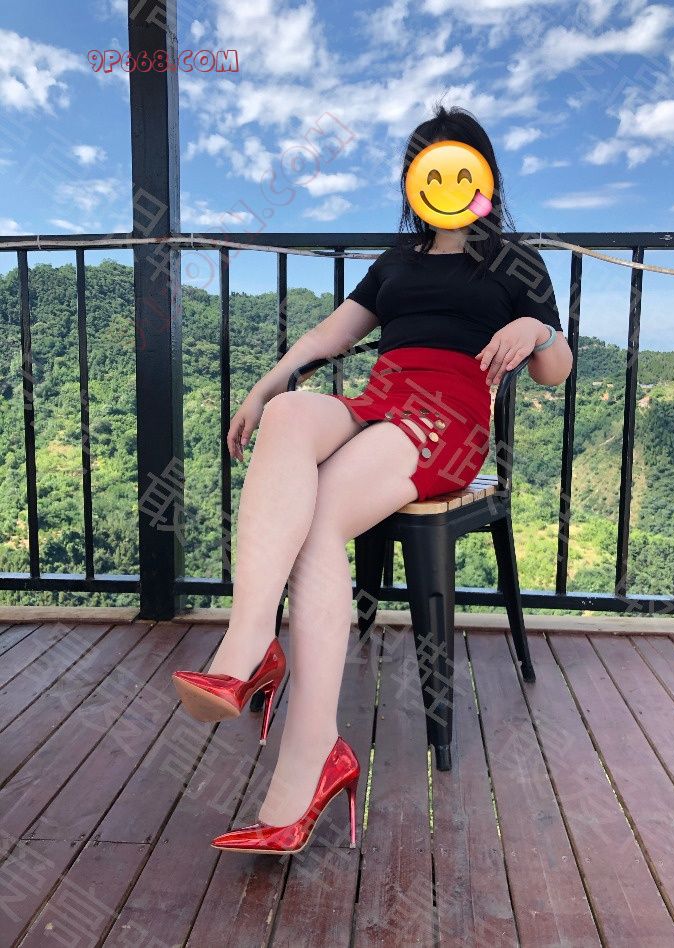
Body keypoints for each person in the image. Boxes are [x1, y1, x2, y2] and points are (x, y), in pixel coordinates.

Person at [171, 104, 573, 855]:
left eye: (458, 165)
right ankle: (251, 642)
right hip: (381, 399)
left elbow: (555, 371)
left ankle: (306, 758)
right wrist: (264, 386)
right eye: (429, 168)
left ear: (483, 176)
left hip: (446, 418)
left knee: (320, 516)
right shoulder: (397, 260)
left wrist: (539, 329)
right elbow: (333, 334)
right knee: (290, 414)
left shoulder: (514, 262)